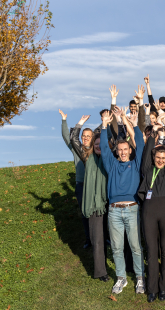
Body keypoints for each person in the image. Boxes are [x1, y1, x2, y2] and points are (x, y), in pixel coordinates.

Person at [137, 99, 165, 303]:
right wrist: (152, 136)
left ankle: (164, 287)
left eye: (164, 158)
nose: (160, 160)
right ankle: (152, 288)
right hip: (148, 209)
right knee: (151, 250)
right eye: (158, 157)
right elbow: (146, 155)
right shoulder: (148, 170)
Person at [99, 109, 145, 295]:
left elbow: (140, 144)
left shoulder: (135, 164)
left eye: (126, 150)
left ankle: (140, 278)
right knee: (117, 247)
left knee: (135, 246)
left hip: (132, 209)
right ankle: (121, 278)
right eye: (120, 150)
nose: (123, 152)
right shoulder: (112, 165)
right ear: (117, 152)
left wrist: (132, 123)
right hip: (114, 210)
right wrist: (104, 126)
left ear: (129, 151)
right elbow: (103, 149)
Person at [70, 115, 110, 283]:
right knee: (97, 240)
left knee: (111, 239)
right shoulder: (87, 157)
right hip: (94, 205)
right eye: (95, 144)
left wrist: (106, 124)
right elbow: (73, 138)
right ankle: (101, 271)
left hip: (109, 203)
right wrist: (80, 123)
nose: (98, 147)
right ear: (92, 145)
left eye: (101, 144)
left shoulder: (109, 157)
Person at [59, 109, 91, 249]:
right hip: (81, 185)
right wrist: (64, 121)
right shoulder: (76, 149)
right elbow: (67, 137)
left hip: (93, 185)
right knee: (85, 214)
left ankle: (104, 238)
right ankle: (88, 239)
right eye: (83, 135)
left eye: (88, 136)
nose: (85, 138)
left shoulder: (96, 151)